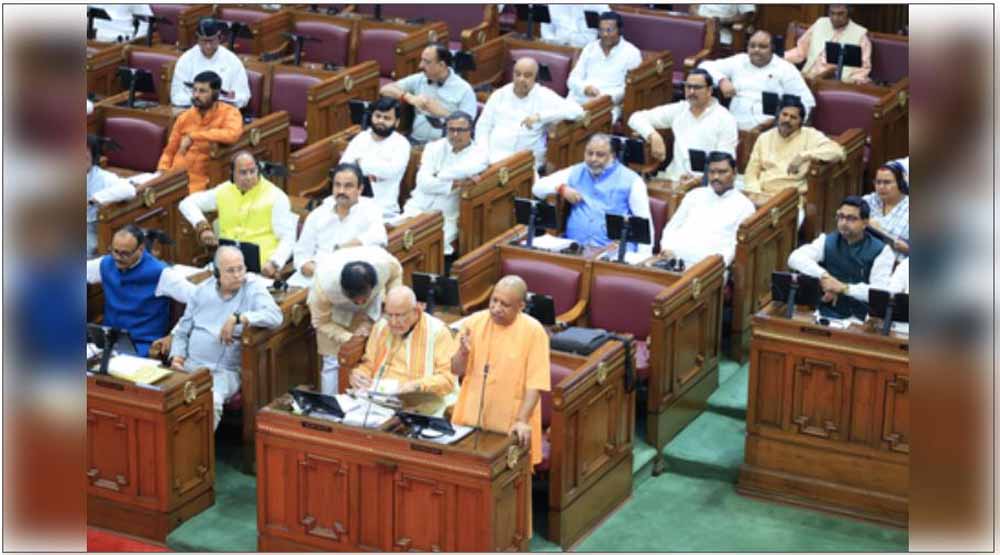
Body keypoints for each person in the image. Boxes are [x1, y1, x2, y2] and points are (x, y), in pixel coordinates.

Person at [169, 246, 282, 429]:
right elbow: (182, 331)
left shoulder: (252, 288)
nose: (237, 275)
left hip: (223, 372)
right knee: (165, 398)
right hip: (190, 366)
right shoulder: (201, 291)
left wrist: (239, 317)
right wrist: (177, 357)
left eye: (241, 268)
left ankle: (200, 446)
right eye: (230, 270)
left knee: (209, 401)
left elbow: (275, 317)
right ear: (217, 272)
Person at [451, 275, 550, 467]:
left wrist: (522, 420)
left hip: (511, 422)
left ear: (520, 306)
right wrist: (462, 352)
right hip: (471, 415)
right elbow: (455, 369)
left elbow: (536, 384)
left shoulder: (534, 331)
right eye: (494, 300)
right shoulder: (473, 323)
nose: (496, 308)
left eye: (505, 304)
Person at [532, 133, 654, 259]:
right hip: (574, 249)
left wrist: (643, 259)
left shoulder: (633, 180)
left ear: (612, 156)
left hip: (612, 254)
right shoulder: (576, 171)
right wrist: (562, 189)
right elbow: (537, 188)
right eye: (589, 153)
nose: (593, 159)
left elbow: (644, 223)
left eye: (600, 155)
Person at [178, 150, 295, 277]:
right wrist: (203, 227)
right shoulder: (224, 190)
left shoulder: (276, 196)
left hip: (259, 270)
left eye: (252, 171)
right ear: (232, 174)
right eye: (243, 173)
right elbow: (187, 203)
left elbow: (288, 237)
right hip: (224, 266)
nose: (249, 177)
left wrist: (275, 262)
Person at [86, 225, 196, 357]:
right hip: (106, 342)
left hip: (143, 346)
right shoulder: (106, 263)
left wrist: (174, 335)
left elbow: (200, 300)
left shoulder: (161, 273)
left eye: (125, 253)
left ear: (141, 249)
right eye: (115, 251)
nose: (118, 258)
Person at [308, 246, 403, 395]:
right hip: (334, 316)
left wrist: (391, 304)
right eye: (355, 300)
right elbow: (321, 322)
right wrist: (350, 338)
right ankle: (331, 405)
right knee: (332, 362)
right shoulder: (322, 287)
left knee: (371, 355)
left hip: (371, 310)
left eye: (363, 299)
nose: (359, 303)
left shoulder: (384, 264)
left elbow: (396, 274)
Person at [349, 286, 458, 416]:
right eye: (389, 315)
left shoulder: (438, 332)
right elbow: (369, 364)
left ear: (416, 310)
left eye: (399, 316)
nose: (393, 322)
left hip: (420, 403)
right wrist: (360, 374)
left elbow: (447, 380)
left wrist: (415, 386)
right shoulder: (381, 327)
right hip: (378, 400)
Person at [787, 196, 894, 320]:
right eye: (841, 216)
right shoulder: (827, 240)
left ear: (865, 223)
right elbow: (795, 258)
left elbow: (879, 292)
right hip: (825, 311)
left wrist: (844, 288)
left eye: (851, 218)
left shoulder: (881, 250)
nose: (843, 223)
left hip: (860, 317)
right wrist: (824, 276)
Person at [402, 111, 489, 256]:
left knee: (427, 248)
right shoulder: (433, 147)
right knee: (399, 241)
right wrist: (455, 183)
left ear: (470, 131)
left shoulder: (480, 154)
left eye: (460, 130)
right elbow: (423, 183)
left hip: (446, 216)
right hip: (416, 208)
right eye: (451, 129)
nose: (455, 134)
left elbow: (461, 170)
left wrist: (438, 175)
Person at [626, 68, 738, 181]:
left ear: (709, 90)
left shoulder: (725, 119)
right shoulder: (679, 109)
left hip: (708, 183)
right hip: (674, 179)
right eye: (688, 87)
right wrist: (653, 135)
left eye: (697, 87)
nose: (691, 92)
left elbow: (725, 163)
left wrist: (697, 180)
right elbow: (635, 118)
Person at [475, 57, 584, 170]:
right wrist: (483, 153)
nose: (521, 79)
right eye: (517, 74)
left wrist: (541, 117)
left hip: (526, 165)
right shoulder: (499, 95)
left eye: (527, 76)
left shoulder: (544, 95)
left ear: (535, 78)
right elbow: (483, 127)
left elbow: (578, 111)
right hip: (492, 158)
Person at [650, 151, 755, 268]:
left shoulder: (744, 206)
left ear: (734, 173)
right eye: (712, 172)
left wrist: (715, 266)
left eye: (722, 172)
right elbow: (672, 227)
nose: (716, 177)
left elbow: (734, 247)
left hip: (708, 270)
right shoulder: (694, 195)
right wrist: (667, 248)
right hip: (672, 260)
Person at [292, 162, 387, 285]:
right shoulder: (318, 214)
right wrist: (316, 270)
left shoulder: (370, 209)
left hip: (352, 280)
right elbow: (301, 254)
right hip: (315, 276)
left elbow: (380, 236)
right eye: (337, 185)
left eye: (348, 186)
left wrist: (344, 248)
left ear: (360, 189)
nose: (341, 191)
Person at [699, 30, 816, 130]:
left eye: (762, 46)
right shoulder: (739, 61)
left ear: (772, 49)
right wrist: (722, 80)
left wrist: (780, 122)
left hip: (769, 129)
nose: (756, 50)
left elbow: (806, 102)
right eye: (752, 46)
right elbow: (704, 66)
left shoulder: (785, 69)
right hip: (733, 125)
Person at [743, 95, 844, 210]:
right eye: (784, 114)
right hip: (761, 194)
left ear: (801, 121)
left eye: (793, 117)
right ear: (778, 115)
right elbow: (751, 172)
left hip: (789, 199)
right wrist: (756, 193)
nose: (787, 120)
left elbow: (837, 151)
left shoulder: (810, 135)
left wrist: (804, 156)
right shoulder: (764, 138)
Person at [157, 70, 243, 192]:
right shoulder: (185, 117)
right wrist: (162, 171)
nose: (196, 95)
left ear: (215, 93)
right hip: (174, 177)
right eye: (194, 90)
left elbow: (231, 134)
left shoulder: (230, 113)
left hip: (202, 182)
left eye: (202, 91)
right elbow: (169, 151)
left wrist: (193, 136)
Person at [380, 45, 477, 144]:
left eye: (426, 62)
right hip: (415, 142)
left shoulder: (464, 89)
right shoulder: (420, 79)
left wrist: (443, 113)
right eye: (422, 60)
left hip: (447, 145)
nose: (420, 65)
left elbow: (467, 125)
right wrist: (409, 97)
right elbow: (385, 89)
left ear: (441, 65)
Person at [338, 96, 411, 218]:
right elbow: (343, 167)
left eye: (387, 118)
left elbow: (390, 171)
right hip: (352, 204)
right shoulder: (361, 138)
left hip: (383, 210)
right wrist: (374, 168)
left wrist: (360, 163)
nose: (381, 121)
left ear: (397, 122)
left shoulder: (401, 144)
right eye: (377, 116)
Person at [565, 11, 643, 123]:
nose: (605, 34)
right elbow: (572, 79)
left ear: (620, 31)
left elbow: (628, 89)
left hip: (607, 106)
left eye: (609, 30)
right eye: (601, 30)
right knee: (558, 123)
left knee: (590, 124)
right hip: (579, 99)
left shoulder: (632, 53)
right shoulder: (590, 48)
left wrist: (604, 98)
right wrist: (584, 89)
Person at [169, 17, 251, 109]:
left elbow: (244, 97)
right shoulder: (186, 59)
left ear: (219, 38)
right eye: (204, 41)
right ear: (197, 39)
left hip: (223, 112)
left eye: (211, 41)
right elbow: (176, 96)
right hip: (193, 110)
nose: (208, 46)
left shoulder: (232, 60)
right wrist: (199, 99)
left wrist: (233, 98)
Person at [783, 4, 872, 84]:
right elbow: (800, 52)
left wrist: (849, 84)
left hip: (833, 84)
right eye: (832, 13)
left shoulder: (860, 35)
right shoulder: (820, 23)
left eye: (840, 14)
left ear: (849, 13)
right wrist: (779, 58)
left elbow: (863, 69)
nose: (835, 18)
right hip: (806, 78)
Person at [86, 142, 136, 258]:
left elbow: (129, 190)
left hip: (92, 228)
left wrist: (93, 200)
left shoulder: (102, 177)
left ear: (93, 156)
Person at [862, 161, 909, 257]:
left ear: (900, 184)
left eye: (887, 182)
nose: (881, 187)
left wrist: (907, 248)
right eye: (878, 182)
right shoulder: (869, 200)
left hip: (897, 261)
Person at [540, 4, 611, 48]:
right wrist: (555, 43)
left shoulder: (599, 5)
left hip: (588, 51)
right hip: (558, 49)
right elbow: (546, 30)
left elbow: (610, 28)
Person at [689, 4, 756, 48]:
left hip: (723, 33)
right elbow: (693, 8)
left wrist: (724, 20)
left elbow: (748, 13)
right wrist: (704, 21)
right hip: (699, 30)